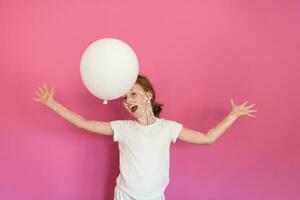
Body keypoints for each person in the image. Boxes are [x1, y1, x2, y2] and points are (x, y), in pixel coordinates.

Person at [33, 74, 257, 200]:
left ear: (148, 96)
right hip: (125, 196)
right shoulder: (123, 128)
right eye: (124, 97)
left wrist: (233, 115)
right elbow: (84, 123)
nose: (128, 100)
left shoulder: (168, 128)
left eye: (133, 94)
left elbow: (208, 138)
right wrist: (53, 104)